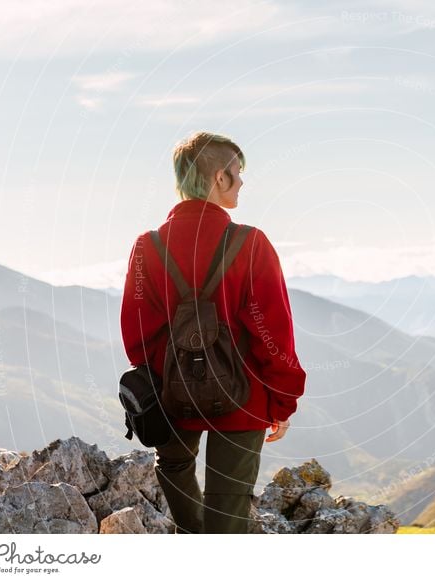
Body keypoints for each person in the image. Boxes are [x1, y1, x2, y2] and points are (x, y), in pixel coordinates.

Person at [120, 132, 306, 534]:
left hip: (170, 390)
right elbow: (272, 332)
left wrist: (172, 375)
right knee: (229, 500)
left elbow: (135, 332)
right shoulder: (250, 243)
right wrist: (282, 400)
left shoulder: (146, 248)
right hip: (244, 395)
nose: (241, 184)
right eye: (238, 174)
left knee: (173, 465)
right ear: (219, 178)